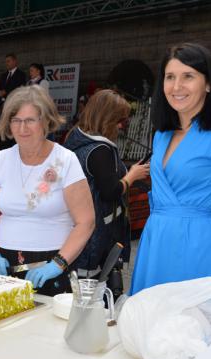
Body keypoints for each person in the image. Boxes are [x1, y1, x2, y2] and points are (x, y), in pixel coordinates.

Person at [129, 43, 211, 295]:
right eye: (170, 77)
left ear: (209, 84)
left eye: (188, 76)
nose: (176, 87)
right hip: (156, 245)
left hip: (202, 249)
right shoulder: (162, 135)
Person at [0, 85, 95, 296]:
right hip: (6, 267)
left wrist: (57, 264)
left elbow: (86, 221)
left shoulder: (65, 160)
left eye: (30, 120)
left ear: (46, 122)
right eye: (16, 121)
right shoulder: (1, 160)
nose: (23, 128)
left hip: (53, 266)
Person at [63, 90, 150, 278]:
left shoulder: (75, 139)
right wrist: (132, 176)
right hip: (97, 236)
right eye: (121, 121)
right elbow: (109, 192)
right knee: (95, 290)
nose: (122, 127)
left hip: (78, 230)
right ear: (108, 119)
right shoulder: (100, 150)